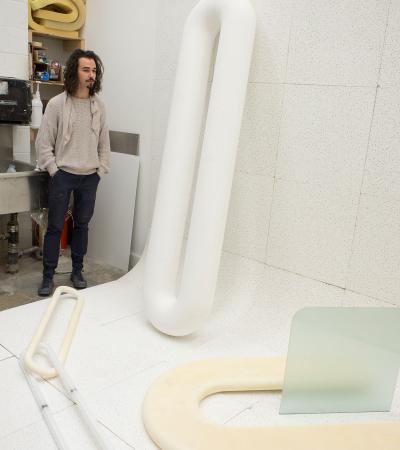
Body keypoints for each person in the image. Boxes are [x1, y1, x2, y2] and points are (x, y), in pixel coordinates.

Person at [36, 49, 110, 296]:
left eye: (94, 70)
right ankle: (48, 276)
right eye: (86, 69)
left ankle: (77, 270)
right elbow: (44, 143)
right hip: (63, 174)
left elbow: (104, 142)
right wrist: (54, 170)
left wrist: (100, 169)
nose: (91, 75)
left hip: (90, 176)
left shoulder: (99, 106)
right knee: (55, 227)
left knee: (82, 226)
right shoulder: (57, 104)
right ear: (74, 72)